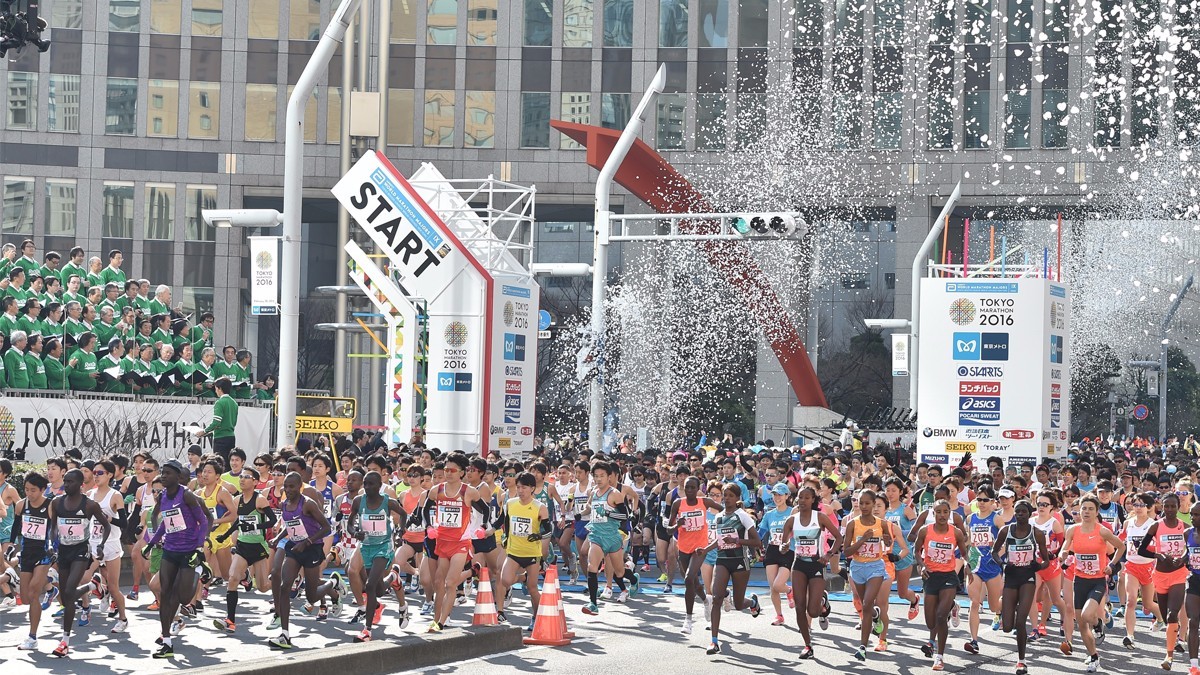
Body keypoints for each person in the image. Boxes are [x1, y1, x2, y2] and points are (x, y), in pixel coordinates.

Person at [142, 459, 210, 658]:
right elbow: (165, 523)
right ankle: (166, 640)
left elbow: (203, 520)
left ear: (178, 476)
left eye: (168, 473)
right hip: (170, 550)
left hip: (188, 551)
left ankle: (198, 571)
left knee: (184, 597)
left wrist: (199, 547)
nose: (163, 476)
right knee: (166, 594)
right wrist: (151, 543)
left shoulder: (186, 494)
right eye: (162, 473)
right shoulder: (163, 496)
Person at [268, 472, 343, 649]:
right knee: (284, 587)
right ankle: (285, 635)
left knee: (311, 596)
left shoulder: (308, 504)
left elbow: (326, 527)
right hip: (295, 549)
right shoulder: (285, 504)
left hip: (312, 549)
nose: (288, 490)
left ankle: (332, 583)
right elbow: (289, 526)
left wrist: (307, 542)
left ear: (300, 487)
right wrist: (277, 538)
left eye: (292, 486)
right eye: (286, 486)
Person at [1061, 493, 1127, 673]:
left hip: (1097, 581)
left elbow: (1121, 547)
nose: (1086, 512)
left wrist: (1112, 565)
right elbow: (1065, 547)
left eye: (1091, 509)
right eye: (1084, 508)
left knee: (1086, 614)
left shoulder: (1102, 531)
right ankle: (1094, 656)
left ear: (1097, 512)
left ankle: (1098, 623)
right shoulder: (1072, 530)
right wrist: (1063, 554)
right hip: (1079, 580)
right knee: (1082, 624)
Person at [49, 468, 111, 657]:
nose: (66, 485)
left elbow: (106, 525)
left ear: (80, 484)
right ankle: (65, 641)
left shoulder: (89, 505)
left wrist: (101, 545)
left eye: (70, 482)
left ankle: (64, 641)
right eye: (65, 481)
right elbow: (53, 527)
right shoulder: (57, 502)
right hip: (63, 551)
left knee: (69, 591)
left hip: (80, 552)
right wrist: (52, 543)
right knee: (67, 598)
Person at [347, 469, 409, 641]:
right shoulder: (358, 501)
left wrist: (400, 531)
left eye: (371, 484)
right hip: (366, 547)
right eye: (365, 484)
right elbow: (350, 524)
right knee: (379, 590)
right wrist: (355, 532)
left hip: (383, 546)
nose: (367, 487)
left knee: (370, 585)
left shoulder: (388, 502)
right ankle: (394, 577)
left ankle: (367, 630)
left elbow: (403, 514)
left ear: (380, 486)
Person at [781, 484, 843, 659]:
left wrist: (829, 555)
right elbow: (783, 544)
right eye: (800, 497)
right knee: (799, 607)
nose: (802, 501)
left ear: (813, 500)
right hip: (799, 565)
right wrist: (784, 547)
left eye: (807, 498)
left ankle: (822, 601)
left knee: (813, 611)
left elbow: (839, 537)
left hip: (816, 565)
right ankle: (807, 645)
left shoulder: (820, 517)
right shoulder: (791, 520)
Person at [212, 467, 276, 633]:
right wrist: (225, 535)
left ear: (255, 482)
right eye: (241, 476)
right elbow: (238, 522)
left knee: (263, 587)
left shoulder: (260, 500)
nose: (242, 479)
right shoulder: (237, 500)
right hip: (242, 545)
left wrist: (254, 526)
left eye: (246, 477)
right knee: (233, 578)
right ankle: (230, 620)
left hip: (258, 547)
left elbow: (273, 520)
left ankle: (279, 584)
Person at [992, 499, 1051, 675]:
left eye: (1023, 512)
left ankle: (1021, 661)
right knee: (1007, 627)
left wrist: (1038, 566)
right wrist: (1002, 564)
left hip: (1027, 578)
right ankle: (1013, 608)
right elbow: (994, 552)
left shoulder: (1036, 533)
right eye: (1017, 512)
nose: (1019, 514)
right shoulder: (1006, 530)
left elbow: (1046, 561)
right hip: (1011, 577)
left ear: (1029, 513)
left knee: (1020, 622)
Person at [704, 481, 762, 655]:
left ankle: (752, 602)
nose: (727, 498)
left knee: (738, 604)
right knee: (716, 597)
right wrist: (704, 550)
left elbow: (757, 541)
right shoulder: (719, 516)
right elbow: (719, 540)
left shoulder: (742, 516)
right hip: (722, 560)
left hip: (739, 561)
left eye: (731, 496)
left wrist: (736, 540)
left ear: (737, 497)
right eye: (725, 495)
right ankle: (714, 642)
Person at [914, 499, 972, 671]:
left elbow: (964, 553)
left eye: (945, 512)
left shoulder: (956, 532)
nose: (942, 515)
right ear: (933, 513)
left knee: (940, 617)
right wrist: (921, 565)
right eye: (938, 512)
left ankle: (939, 657)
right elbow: (916, 550)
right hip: (930, 576)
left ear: (949, 514)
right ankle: (952, 606)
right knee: (930, 622)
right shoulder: (925, 531)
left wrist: (967, 564)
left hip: (948, 576)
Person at [1139, 492, 1191, 670]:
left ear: (1178, 507)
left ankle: (1169, 656)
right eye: (1166, 506)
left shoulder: (1185, 527)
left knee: (1172, 614)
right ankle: (1173, 636)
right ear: (1162, 506)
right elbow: (1141, 550)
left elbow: (1191, 549)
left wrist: (1182, 558)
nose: (1169, 509)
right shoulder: (1156, 526)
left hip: (1179, 574)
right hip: (1160, 576)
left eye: (1173, 506)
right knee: (1166, 617)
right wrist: (1158, 555)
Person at [665, 475, 722, 634]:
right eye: (687, 487)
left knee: (688, 578)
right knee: (694, 583)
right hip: (684, 547)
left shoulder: (705, 502)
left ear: (698, 489)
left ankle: (688, 620)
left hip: (700, 548)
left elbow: (725, 510)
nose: (690, 490)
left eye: (693, 487)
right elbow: (668, 530)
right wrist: (677, 525)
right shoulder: (678, 503)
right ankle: (706, 600)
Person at [581, 460, 639, 616]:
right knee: (592, 567)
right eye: (596, 476)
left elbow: (624, 516)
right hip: (596, 535)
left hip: (612, 537)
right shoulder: (593, 493)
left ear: (609, 477)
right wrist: (581, 513)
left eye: (602, 476)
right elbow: (589, 506)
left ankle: (633, 579)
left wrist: (607, 513)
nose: (599, 479)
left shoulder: (615, 494)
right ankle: (593, 604)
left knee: (619, 572)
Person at [493, 471, 549, 632]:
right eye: (518, 487)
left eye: (524, 487)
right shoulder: (510, 503)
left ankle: (536, 617)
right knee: (505, 580)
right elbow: (504, 521)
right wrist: (500, 534)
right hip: (514, 550)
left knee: (532, 588)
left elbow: (548, 530)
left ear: (532, 488)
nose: (520, 490)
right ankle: (523, 577)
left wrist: (538, 535)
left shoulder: (540, 507)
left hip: (532, 553)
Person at [844, 489, 893, 661]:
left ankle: (862, 647)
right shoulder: (852, 524)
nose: (863, 506)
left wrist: (887, 540)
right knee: (866, 605)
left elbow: (888, 543)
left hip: (875, 567)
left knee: (866, 604)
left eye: (867, 503)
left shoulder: (882, 523)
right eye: (861, 503)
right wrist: (863, 540)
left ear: (873, 504)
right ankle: (875, 615)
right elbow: (846, 551)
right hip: (858, 568)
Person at [85, 460, 130, 633]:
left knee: (113, 586)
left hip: (110, 544)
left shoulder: (115, 495)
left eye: (100, 473)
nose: (96, 476)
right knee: (84, 576)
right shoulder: (89, 494)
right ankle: (99, 590)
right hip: (93, 543)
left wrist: (108, 519)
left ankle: (123, 619)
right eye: (94, 473)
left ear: (110, 475)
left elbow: (124, 523)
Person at [965, 484, 1009, 653]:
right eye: (979, 499)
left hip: (992, 567)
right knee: (974, 603)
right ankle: (974, 641)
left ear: (992, 502)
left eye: (985, 500)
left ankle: (1000, 611)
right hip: (975, 566)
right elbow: (968, 541)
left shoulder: (997, 519)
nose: (982, 503)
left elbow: (1006, 542)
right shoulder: (970, 519)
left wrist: (997, 555)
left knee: (993, 606)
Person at [11, 471, 52, 651]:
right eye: (27, 489)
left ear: (43, 489)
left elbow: (55, 529)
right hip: (26, 553)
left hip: (43, 553)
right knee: (26, 598)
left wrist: (54, 546)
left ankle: (32, 637)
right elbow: (15, 527)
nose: (29, 493)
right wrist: (11, 545)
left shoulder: (50, 506)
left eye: (33, 490)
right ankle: (50, 583)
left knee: (34, 591)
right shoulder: (21, 504)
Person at [1122, 492, 1163, 649]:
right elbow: (1120, 540)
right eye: (1135, 504)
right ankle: (1130, 636)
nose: (1138, 508)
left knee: (1148, 603)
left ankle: (1160, 619)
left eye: (1141, 505)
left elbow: (1159, 547)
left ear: (1149, 507)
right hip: (1131, 565)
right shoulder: (1128, 523)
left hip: (1148, 567)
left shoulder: (1154, 525)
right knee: (1131, 600)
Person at [758, 482, 795, 626]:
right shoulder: (769, 515)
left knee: (778, 584)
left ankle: (789, 590)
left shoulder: (793, 512)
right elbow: (761, 533)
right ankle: (779, 615)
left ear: (787, 496)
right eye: (775, 495)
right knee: (773, 587)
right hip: (772, 549)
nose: (777, 498)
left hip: (788, 550)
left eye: (780, 495)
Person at [195, 378, 237, 466]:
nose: (215, 391)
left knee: (219, 465)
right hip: (231, 436)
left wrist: (204, 431)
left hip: (220, 437)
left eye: (216, 388)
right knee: (229, 464)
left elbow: (216, 422)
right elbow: (234, 422)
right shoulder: (234, 403)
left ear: (220, 388)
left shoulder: (220, 402)